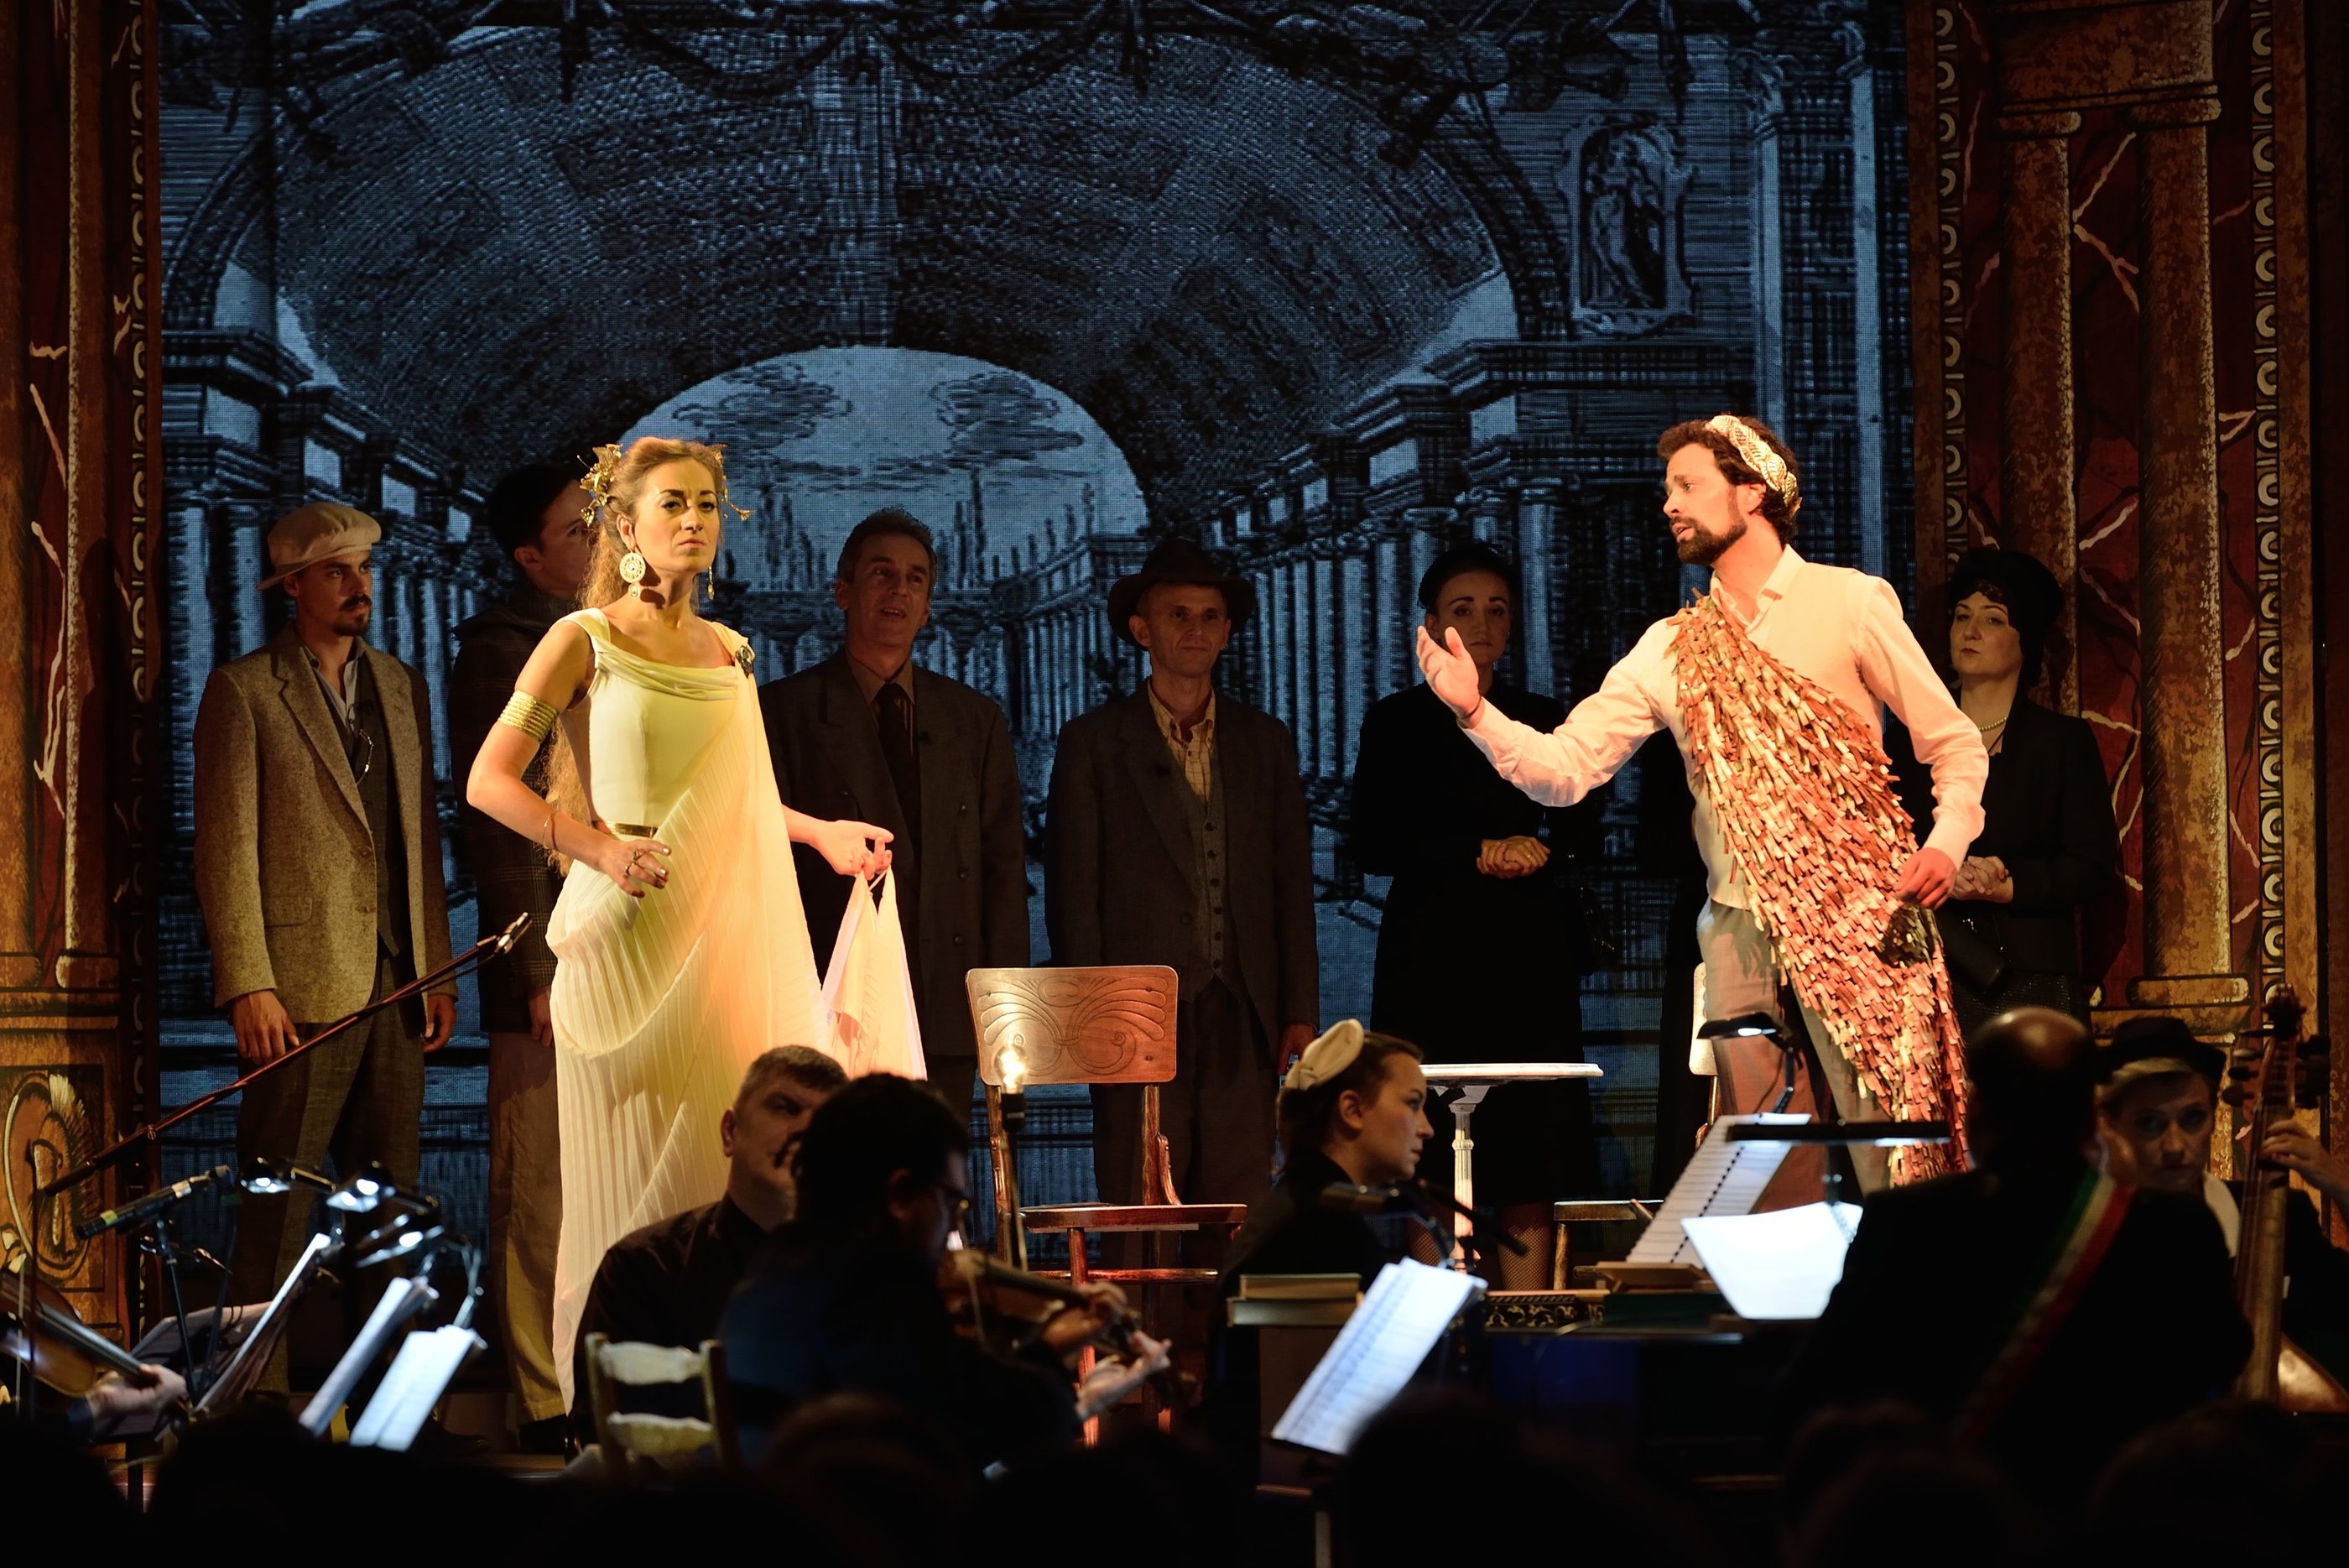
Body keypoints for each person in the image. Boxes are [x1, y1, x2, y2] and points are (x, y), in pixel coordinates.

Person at [1417, 416, 1988, 1190]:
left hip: (1864, 919)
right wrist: (1476, 713)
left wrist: (1946, 844)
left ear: (1753, 490)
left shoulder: (1848, 602)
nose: (1669, 505)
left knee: (1897, 1152)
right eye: (1667, 490)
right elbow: (1568, 769)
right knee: (1764, 1167)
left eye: (1687, 486)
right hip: (1737, 931)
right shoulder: (1670, 647)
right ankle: (1781, 1310)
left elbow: (1952, 741)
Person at [465, 435, 893, 1407]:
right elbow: (488, 783)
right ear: (623, 523)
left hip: (729, 931)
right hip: (626, 935)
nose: (693, 520)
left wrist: (820, 834)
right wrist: (598, 847)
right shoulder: (582, 639)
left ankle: (749, 1402)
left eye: (706, 504)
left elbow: (742, 796)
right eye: (671, 504)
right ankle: (621, 1418)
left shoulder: (731, 650)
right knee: (627, 1192)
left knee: (730, 1163)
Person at [1789, 1008, 2247, 1508]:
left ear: (1978, 1114)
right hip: (2125, 1526)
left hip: (1964, 1525)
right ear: (2092, 1121)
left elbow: (1815, 1393)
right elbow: (2223, 1363)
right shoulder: (2176, 1231)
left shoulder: (1908, 1223)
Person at [194, 503, 456, 1367]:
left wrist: (434, 971)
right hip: (298, 990)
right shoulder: (245, 689)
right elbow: (225, 846)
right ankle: (248, 1414)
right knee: (278, 1209)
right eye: (338, 571)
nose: (359, 586)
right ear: (293, 585)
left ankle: (385, 1422)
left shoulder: (398, 683)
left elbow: (416, 833)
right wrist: (249, 981)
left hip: (396, 985)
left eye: (364, 569)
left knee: (392, 1220)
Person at [1350, 541, 1602, 1279]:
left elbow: (1582, 825)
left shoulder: (1541, 716)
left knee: (1530, 1146)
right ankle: (1434, 1337)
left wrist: (1539, 846)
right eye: (1463, 609)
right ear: (1431, 626)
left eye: (1496, 609)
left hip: (1526, 958)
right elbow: (1374, 839)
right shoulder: (1395, 722)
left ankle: (1524, 1327)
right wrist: (1473, 848)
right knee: (1421, 1142)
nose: (1483, 622)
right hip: (1431, 954)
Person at [1047, 538, 1319, 1211]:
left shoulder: (1266, 742)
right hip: (1132, 1012)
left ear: (1227, 631)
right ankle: (1143, 1319)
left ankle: (1224, 1321)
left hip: (1243, 1005)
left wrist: (1299, 1009)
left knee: (1236, 1201)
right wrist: (1090, 1010)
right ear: (1142, 630)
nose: (1194, 629)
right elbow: (1072, 891)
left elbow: (1291, 883)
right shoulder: (1093, 743)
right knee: (1142, 1198)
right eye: (1177, 615)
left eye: (1208, 616)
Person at [722, 1075, 1148, 1470]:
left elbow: (953, 1394)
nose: (949, 1227)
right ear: (901, 1196)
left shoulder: (774, 1267)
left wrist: (1051, 1349)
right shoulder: (872, 1289)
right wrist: (1062, 1375)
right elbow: (968, 1427)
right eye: (949, 1202)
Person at [759, 508, 1029, 1120]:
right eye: (881, 573)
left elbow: (1002, 871)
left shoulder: (973, 719)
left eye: (915, 579)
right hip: (832, 998)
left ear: (929, 605)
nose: (898, 590)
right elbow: (756, 859)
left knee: (935, 1192)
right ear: (843, 592)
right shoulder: (784, 711)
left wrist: (1006, 1007)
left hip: (949, 1005)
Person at [446, 461, 596, 1450]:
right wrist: (535, 968)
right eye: (578, 529)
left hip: (622, 950)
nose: (602, 540)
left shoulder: (610, 640)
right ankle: (543, 1402)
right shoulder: (507, 649)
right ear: (530, 557)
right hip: (548, 958)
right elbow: (500, 832)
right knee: (537, 1188)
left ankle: (601, 1383)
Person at [1889, 546, 2116, 1035]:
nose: (1970, 631)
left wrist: (2003, 885)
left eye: (1993, 620)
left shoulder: (2061, 742)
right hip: (1926, 970)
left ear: (2026, 642)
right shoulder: (1908, 742)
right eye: (1961, 616)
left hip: (2029, 978)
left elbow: (2092, 865)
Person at [569, 1045, 847, 1444]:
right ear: (730, 1131)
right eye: (785, 1108)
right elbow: (600, 1433)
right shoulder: (644, 1267)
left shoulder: (872, 1278)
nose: (806, 1130)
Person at [1206, 1024, 1432, 1454]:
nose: (1426, 1129)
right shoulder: (1314, 1229)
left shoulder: (1317, 1210)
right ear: (1352, 1110)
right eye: (1412, 1104)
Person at [2096, 1014, 2349, 1386]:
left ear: (2215, 1118)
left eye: (2193, 1119)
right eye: (2149, 1123)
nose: (2175, 1145)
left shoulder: (2280, 1215)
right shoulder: (2090, 1230)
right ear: (2112, 1126)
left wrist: (2342, 1187)